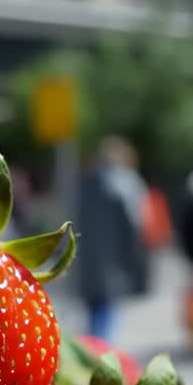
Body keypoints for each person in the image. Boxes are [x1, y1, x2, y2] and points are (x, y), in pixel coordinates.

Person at [76, 137, 150, 341]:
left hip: (87, 259)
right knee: (107, 309)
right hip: (114, 260)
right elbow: (136, 224)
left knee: (94, 309)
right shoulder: (128, 183)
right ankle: (100, 352)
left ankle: (91, 348)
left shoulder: (86, 183)